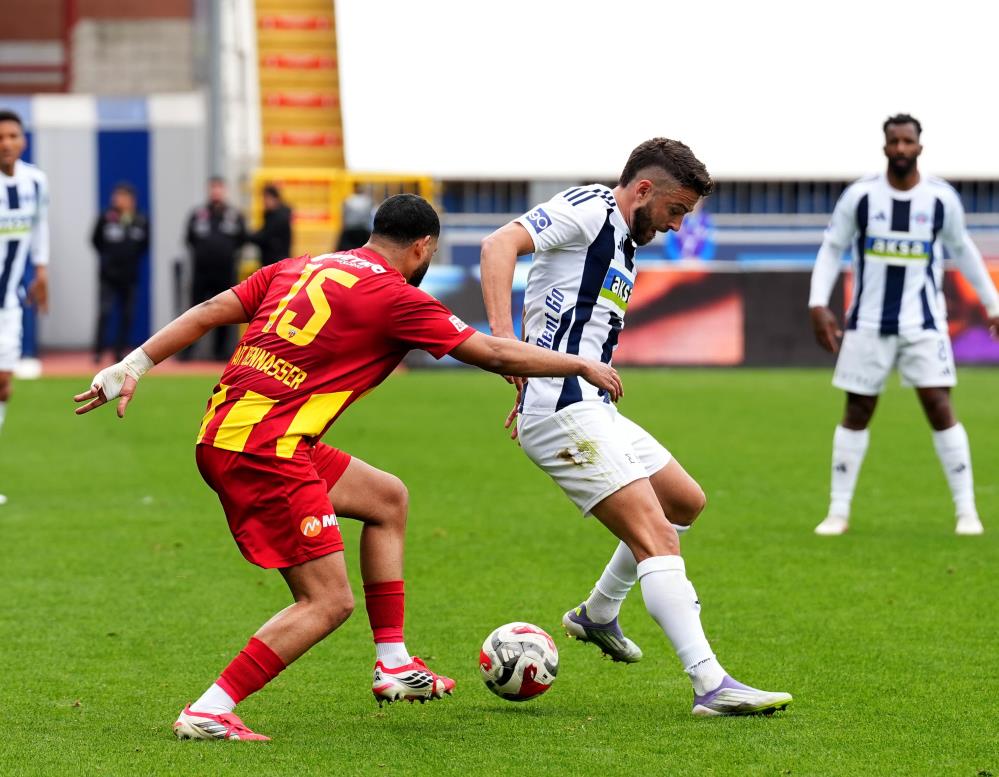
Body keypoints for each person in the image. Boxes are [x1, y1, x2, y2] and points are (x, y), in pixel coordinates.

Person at [74, 194, 622, 742]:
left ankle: (394, 666)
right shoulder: (395, 295)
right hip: (267, 448)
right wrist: (579, 363)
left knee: (386, 499)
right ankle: (209, 710)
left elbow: (208, 310)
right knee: (327, 601)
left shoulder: (304, 266)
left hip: (237, 431)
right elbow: (493, 354)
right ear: (422, 247)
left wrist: (133, 364)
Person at [480, 138, 792, 717]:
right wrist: (504, 349)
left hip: (594, 405)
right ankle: (710, 685)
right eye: (676, 210)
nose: (676, 226)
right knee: (658, 538)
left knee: (683, 502)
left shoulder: (624, 241)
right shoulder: (591, 209)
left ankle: (597, 614)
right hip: (562, 408)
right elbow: (499, 245)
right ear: (644, 190)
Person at [809, 114, 999, 537]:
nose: (899, 149)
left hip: (924, 324)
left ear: (919, 147)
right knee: (857, 410)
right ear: (884, 147)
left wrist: (992, 303)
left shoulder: (940, 199)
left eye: (907, 142)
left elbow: (962, 250)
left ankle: (967, 510)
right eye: (893, 141)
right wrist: (817, 303)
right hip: (867, 325)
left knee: (940, 407)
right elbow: (832, 248)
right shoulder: (860, 196)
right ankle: (838, 512)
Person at [0, 109, 48, 506]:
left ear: (23, 140)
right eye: (0, 137)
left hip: (9, 305)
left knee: (3, 384)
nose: (6, 143)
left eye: (12, 136)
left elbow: (40, 225)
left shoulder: (35, 181)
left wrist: (42, 270)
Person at [185, 177, 247, 360]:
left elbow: (242, 239)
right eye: (213, 188)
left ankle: (221, 353)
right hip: (201, 272)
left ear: (224, 190)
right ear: (208, 190)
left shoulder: (234, 215)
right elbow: (189, 239)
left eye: (219, 188)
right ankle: (188, 351)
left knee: (224, 311)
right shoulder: (198, 214)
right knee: (194, 310)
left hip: (225, 272)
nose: (216, 192)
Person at [92, 182, 150, 362]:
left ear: (131, 200)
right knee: (105, 312)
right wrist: (109, 258)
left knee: (127, 315)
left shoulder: (141, 220)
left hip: (129, 276)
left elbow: (144, 245)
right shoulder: (106, 217)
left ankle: (119, 351)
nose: (118, 200)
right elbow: (95, 240)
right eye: (117, 196)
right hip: (108, 276)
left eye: (123, 196)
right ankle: (99, 351)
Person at [250, 183, 292, 267]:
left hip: (276, 262)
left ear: (274, 198)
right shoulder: (274, 214)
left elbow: (265, 236)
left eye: (266, 198)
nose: (264, 202)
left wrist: (247, 236)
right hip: (275, 261)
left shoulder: (279, 217)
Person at [336, 184, 373, 251]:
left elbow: (343, 215)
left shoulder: (348, 200)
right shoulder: (367, 200)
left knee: (346, 250)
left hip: (350, 229)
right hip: (362, 230)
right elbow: (369, 217)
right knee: (364, 250)